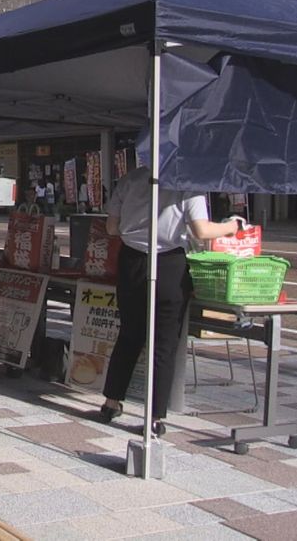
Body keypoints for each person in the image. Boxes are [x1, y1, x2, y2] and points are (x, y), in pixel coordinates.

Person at [98, 165, 240, 435]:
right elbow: (200, 230)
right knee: (164, 343)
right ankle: (154, 417)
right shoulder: (188, 181)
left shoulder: (130, 179)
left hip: (132, 262)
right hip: (170, 265)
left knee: (129, 335)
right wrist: (232, 226)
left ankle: (111, 402)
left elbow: (112, 227)